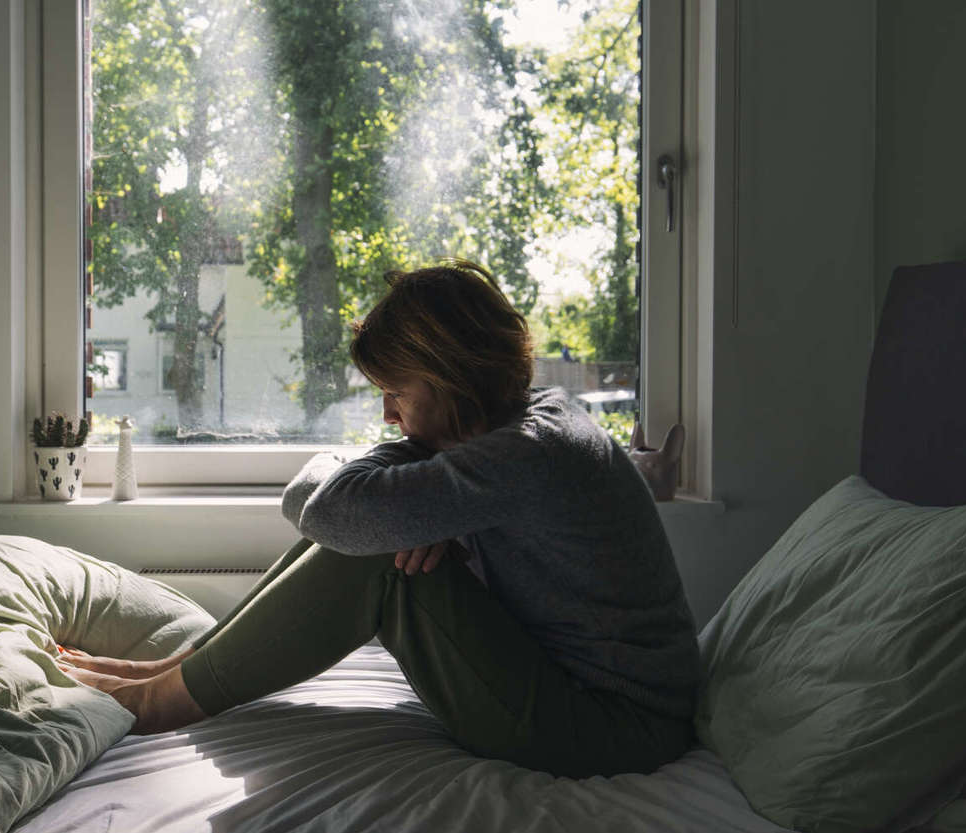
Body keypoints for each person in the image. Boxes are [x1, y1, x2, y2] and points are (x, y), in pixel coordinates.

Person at [58, 259, 701, 778]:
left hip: (613, 727)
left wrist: (380, 502)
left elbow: (324, 511)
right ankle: (173, 672)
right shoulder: (498, 434)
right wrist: (409, 511)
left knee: (381, 559)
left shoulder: (529, 453)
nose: (389, 415)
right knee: (380, 529)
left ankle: (159, 702)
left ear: (453, 379)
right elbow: (330, 505)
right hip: (579, 693)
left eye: (398, 393)